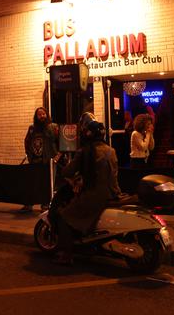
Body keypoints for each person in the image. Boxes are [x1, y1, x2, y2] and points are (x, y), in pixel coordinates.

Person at [51, 112, 121, 265]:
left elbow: (68, 171)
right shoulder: (111, 150)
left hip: (95, 195)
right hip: (114, 193)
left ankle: (66, 255)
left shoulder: (85, 151)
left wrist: (65, 168)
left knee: (64, 216)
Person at [23, 107, 60, 212]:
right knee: (32, 184)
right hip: (35, 161)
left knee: (47, 184)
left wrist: (58, 155)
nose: (42, 116)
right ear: (36, 116)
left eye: (43, 114)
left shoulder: (53, 127)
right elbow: (26, 141)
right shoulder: (32, 129)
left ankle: (45, 205)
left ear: (47, 115)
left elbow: (62, 141)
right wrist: (28, 154)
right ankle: (29, 205)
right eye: (39, 114)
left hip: (49, 161)